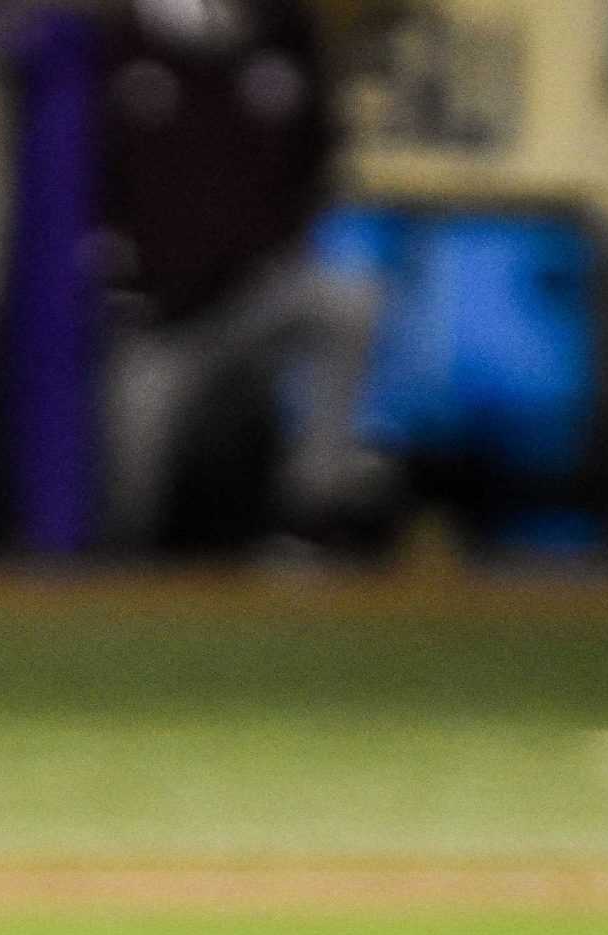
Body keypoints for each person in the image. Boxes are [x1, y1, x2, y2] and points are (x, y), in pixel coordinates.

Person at [95, 0, 391, 549]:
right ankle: (121, 575)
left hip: (255, 298)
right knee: (125, 500)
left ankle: (310, 515)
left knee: (348, 302)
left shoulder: (284, 33)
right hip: (160, 322)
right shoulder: (121, 43)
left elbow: (318, 161)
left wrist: (271, 246)